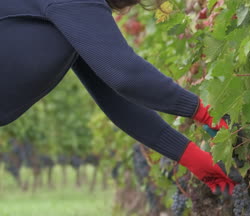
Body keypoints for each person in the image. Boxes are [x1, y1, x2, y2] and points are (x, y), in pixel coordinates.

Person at [0, 0, 236, 194]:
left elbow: (117, 99)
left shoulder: (73, 16)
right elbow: (126, 74)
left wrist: (190, 156)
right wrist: (202, 111)